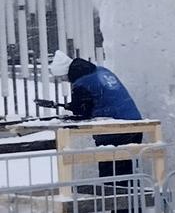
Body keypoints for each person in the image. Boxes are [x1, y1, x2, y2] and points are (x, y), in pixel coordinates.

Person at [40, 51, 145, 180]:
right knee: (126, 171)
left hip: (115, 129)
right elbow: (94, 100)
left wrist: (69, 112)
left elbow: (83, 111)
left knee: (110, 174)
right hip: (135, 123)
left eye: (62, 77)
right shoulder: (100, 71)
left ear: (66, 72)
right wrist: (67, 105)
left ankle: (112, 198)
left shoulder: (81, 82)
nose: (64, 81)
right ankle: (129, 198)